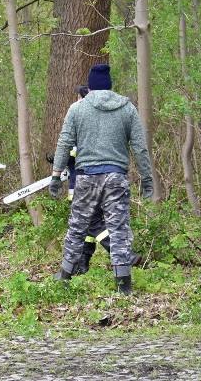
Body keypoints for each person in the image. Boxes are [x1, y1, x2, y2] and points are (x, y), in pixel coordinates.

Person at [49, 64, 154, 294]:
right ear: (110, 85)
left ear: (90, 86)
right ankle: (124, 286)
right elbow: (140, 147)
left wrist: (56, 175)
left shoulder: (77, 109)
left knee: (77, 227)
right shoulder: (127, 108)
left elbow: (64, 142)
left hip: (86, 178)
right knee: (118, 229)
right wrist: (147, 178)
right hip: (116, 177)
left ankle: (65, 277)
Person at [63, 85, 142, 277]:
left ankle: (124, 257)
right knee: (94, 226)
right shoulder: (90, 113)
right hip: (100, 179)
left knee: (91, 224)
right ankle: (84, 263)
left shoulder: (81, 113)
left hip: (83, 181)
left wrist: (63, 161)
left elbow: (75, 148)